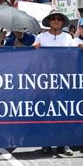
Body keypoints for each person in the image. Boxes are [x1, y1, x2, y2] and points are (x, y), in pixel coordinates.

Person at [33, 9, 74, 156]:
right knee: (47, 112)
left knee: (64, 112)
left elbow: (74, 56)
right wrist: (34, 49)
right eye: (53, 18)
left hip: (64, 80)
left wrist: (82, 49)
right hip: (45, 80)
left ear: (62, 22)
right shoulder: (40, 37)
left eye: (59, 18)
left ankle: (64, 144)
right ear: (49, 21)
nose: (56, 20)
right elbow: (33, 58)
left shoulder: (69, 37)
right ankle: (47, 142)